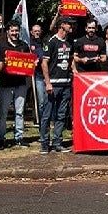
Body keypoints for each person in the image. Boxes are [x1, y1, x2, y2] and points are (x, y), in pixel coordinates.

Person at [0, 20, 32, 148]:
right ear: (8, 32)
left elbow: (29, 61)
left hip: (20, 83)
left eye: (17, 30)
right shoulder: (2, 46)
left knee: (19, 112)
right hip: (6, 83)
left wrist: (33, 63)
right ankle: (0, 137)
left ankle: (19, 138)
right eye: (12, 31)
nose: (15, 33)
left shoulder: (24, 45)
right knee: (3, 112)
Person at [40, 16, 74, 153]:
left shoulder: (69, 42)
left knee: (61, 114)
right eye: (69, 24)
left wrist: (75, 72)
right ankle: (44, 143)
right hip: (53, 84)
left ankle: (57, 142)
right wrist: (48, 82)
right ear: (62, 25)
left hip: (66, 84)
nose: (71, 26)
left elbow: (71, 60)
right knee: (47, 114)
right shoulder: (51, 41)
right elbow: (44, 63)